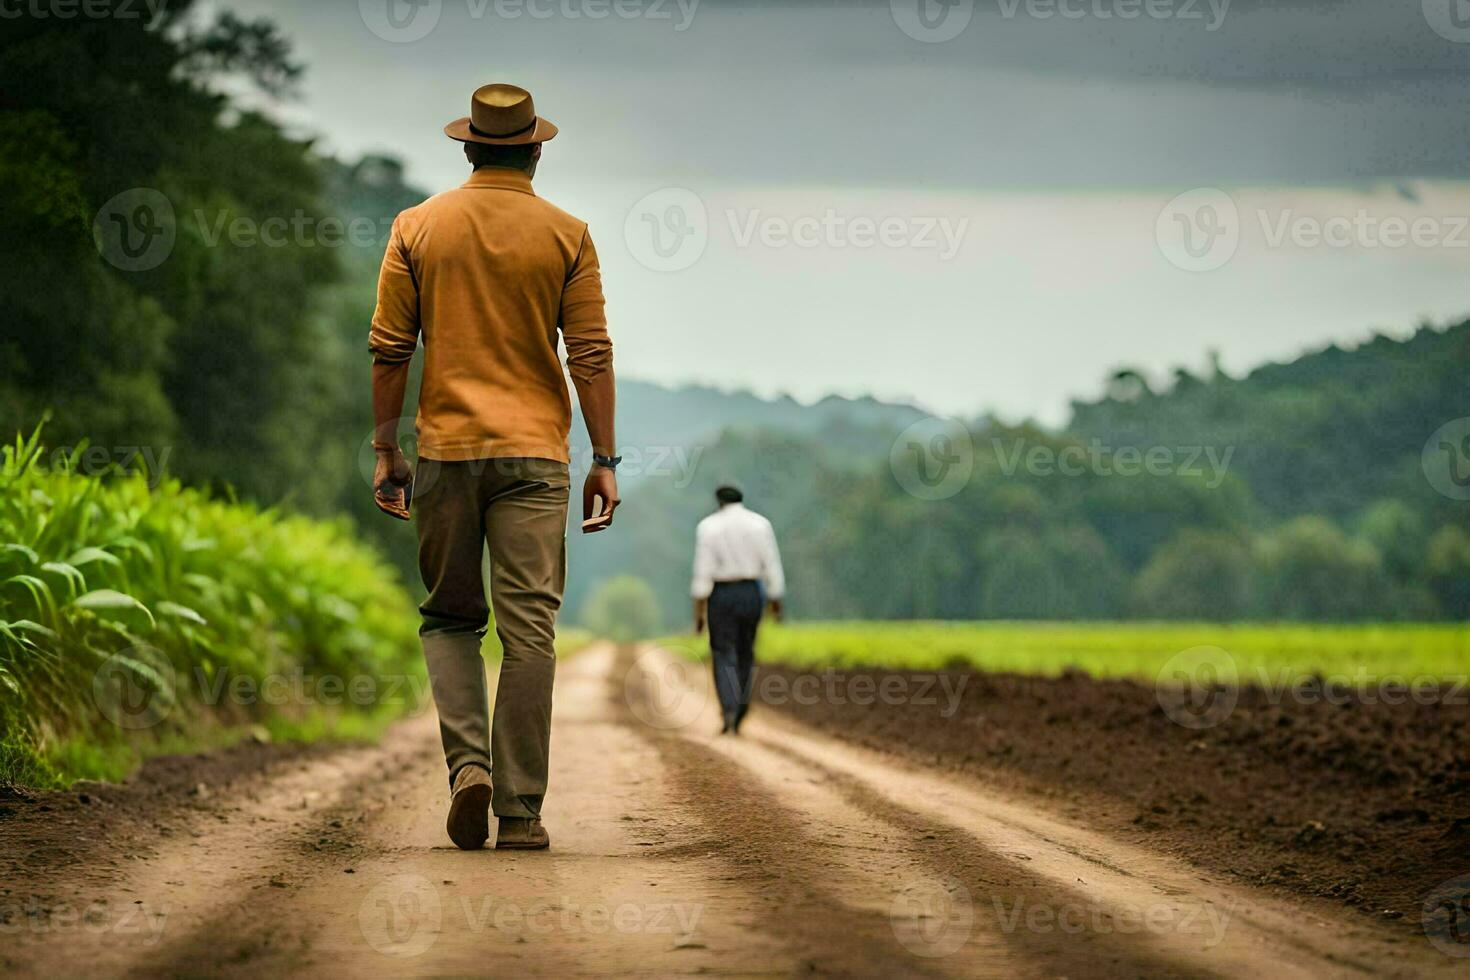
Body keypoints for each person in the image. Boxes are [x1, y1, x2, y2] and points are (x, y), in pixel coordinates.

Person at [368, 83, 621, 851]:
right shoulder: (567, 233)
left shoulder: (417, 227)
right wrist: (604, 458)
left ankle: (468, 767)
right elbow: (591, 353)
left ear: (469, 146)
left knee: (449, 618)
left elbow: (388, 347)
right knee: (529, 633)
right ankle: (519, 811)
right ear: (535, 150)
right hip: (537, 460)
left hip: (445, 453)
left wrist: (388, 449)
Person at [691, 486, 785, 734]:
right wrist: (776, 601)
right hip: (751, 593)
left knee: (723, 652)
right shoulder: (760, 524)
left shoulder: (708, 527)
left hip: (721, 595)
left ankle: (729, 709)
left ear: (719, 501)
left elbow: (702, 572)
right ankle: (741, 706)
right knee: (746, 651)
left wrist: (699, 613)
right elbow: (771, 564)